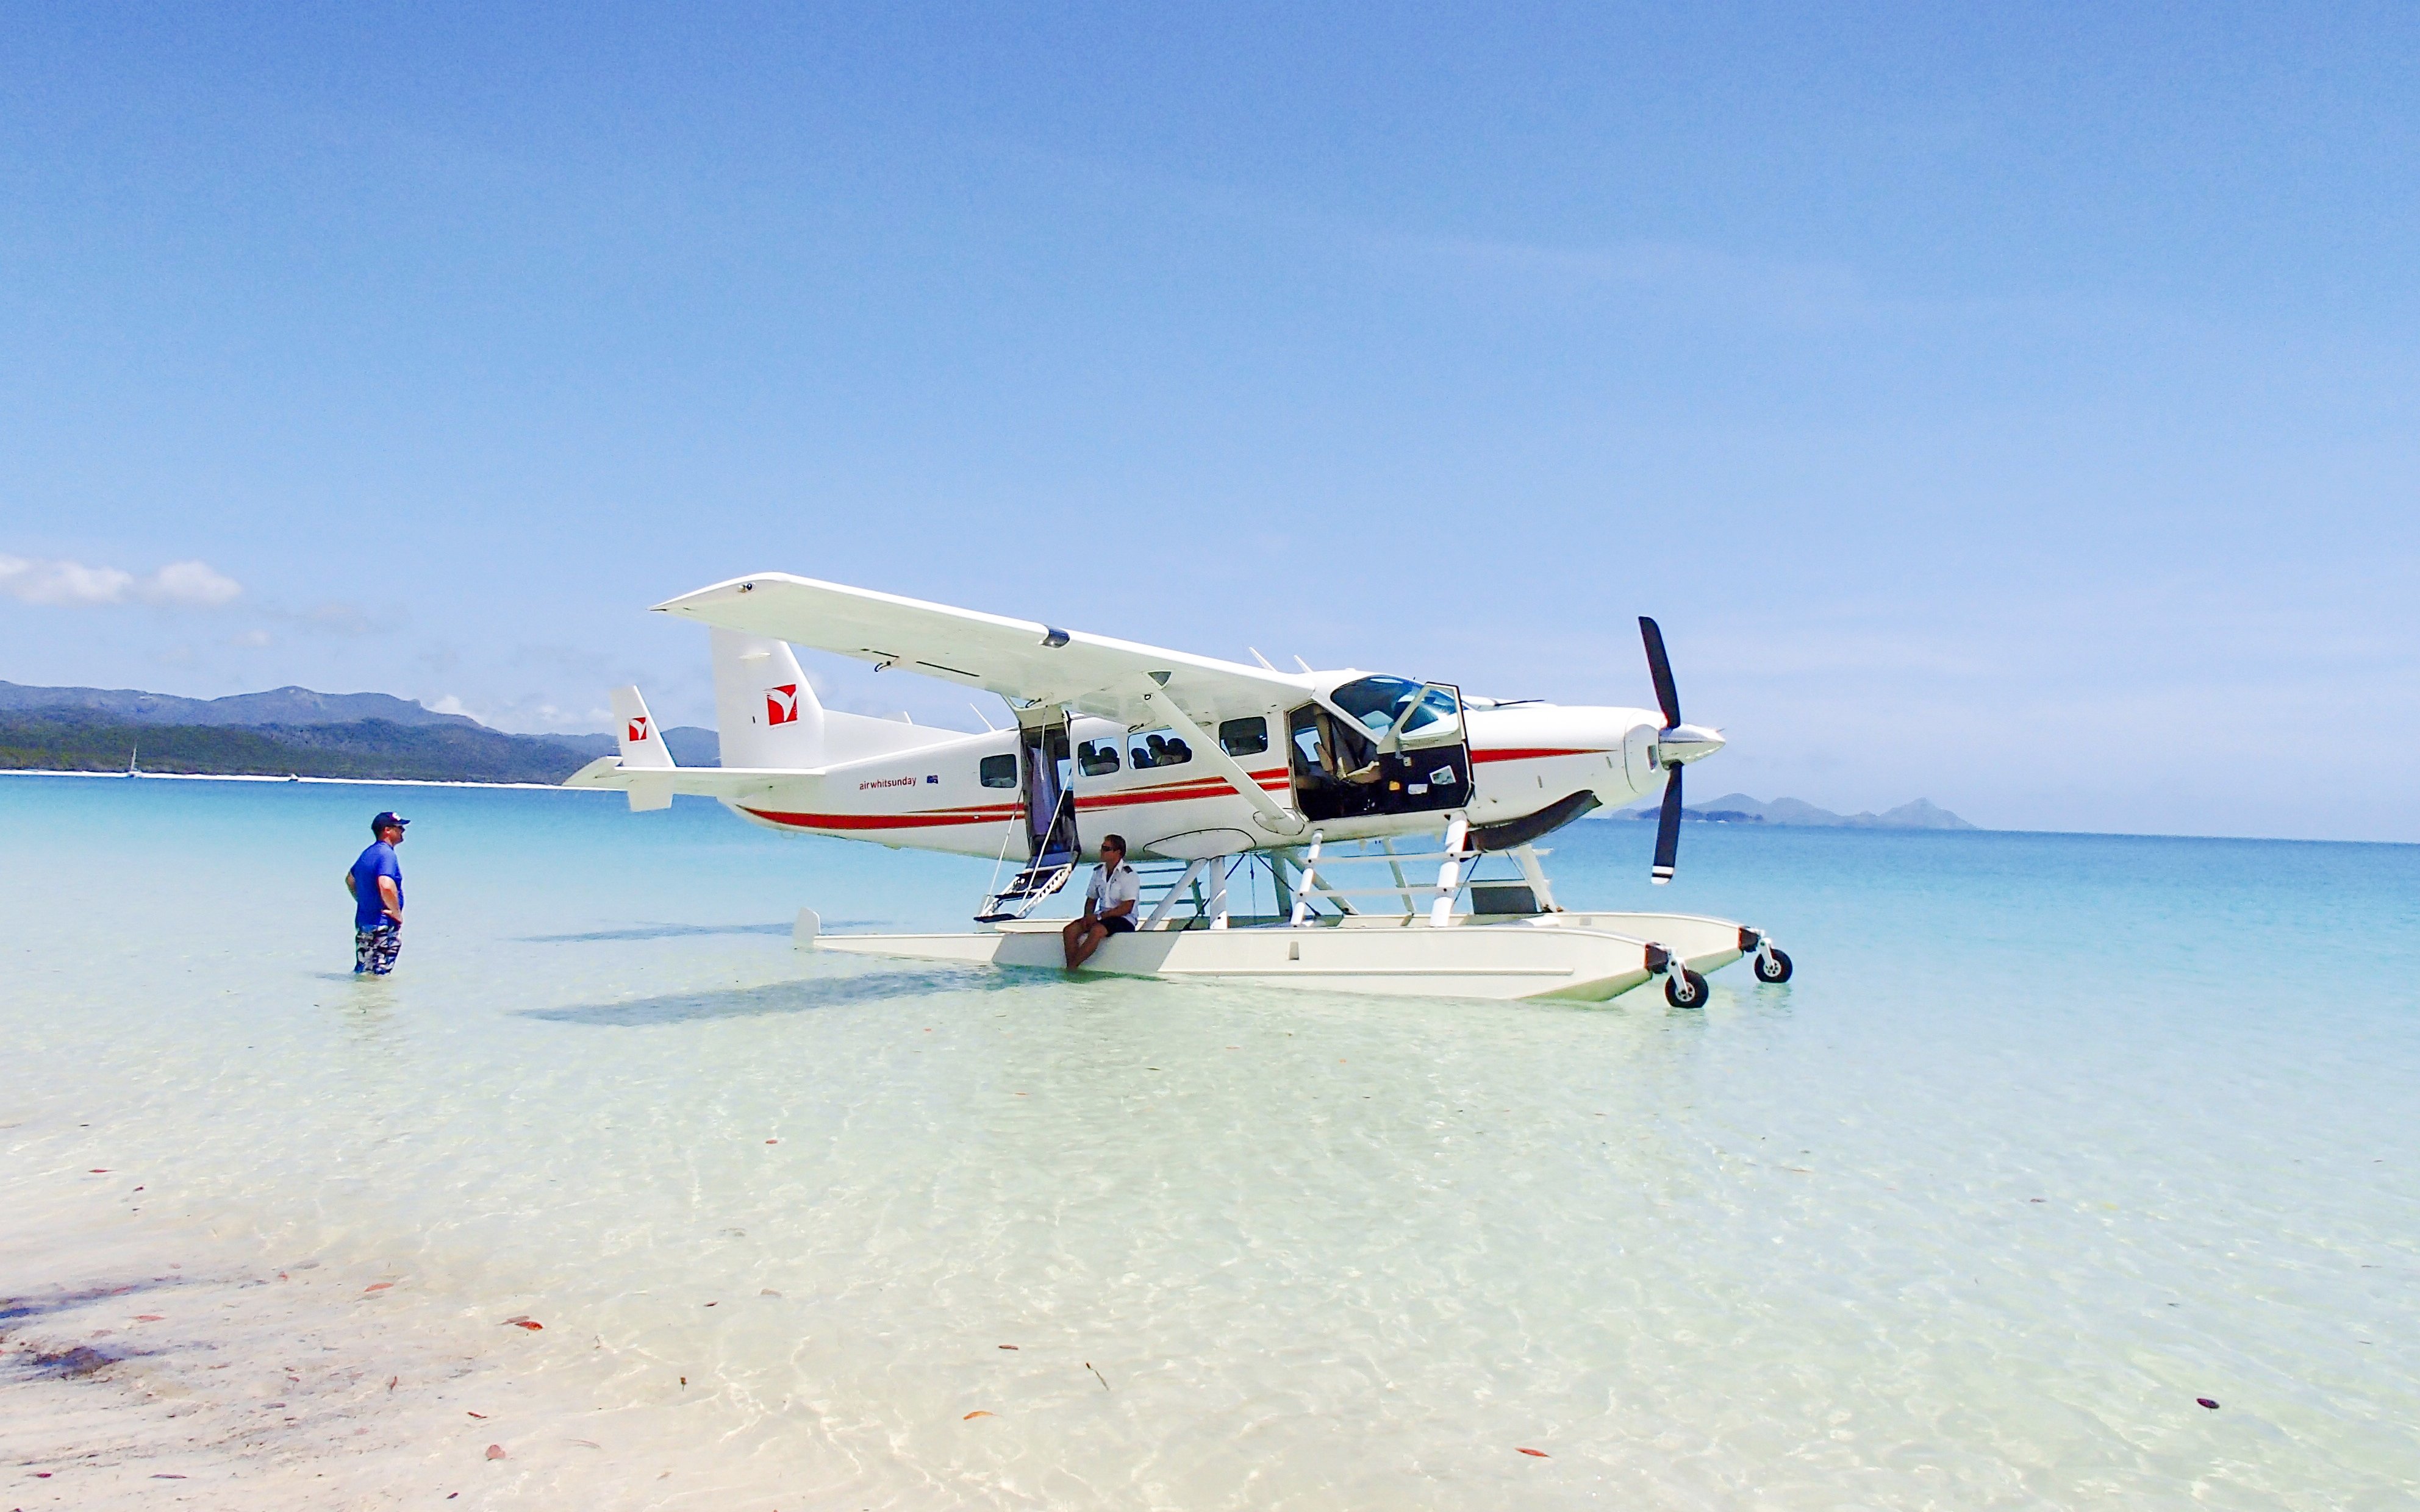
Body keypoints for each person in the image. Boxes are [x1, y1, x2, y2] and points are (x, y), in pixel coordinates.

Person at [1061, 833, 1139, 970]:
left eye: (1106, 849)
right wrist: (1088, 917)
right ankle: (1072, 965)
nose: (1101, 851)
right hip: (1101, 916)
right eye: (1102, 848)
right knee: (1070, 930)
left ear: (1118, 852)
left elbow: (1127, 907)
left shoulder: (1129, 875)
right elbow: (1091, 900)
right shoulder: (1098, 872)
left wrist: (1098, 917)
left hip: (1124, 919)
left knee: (1097, 931)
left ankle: (1072, 968)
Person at [345, 811, 409, 975]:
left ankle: (361, 1001)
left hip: (366, 923)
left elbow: (350, 880)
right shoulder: (386, 854)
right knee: (380, 976)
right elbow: (386, 885)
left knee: (364, 973)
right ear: (387, 830)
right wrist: (396, 913)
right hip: (383, 925)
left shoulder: (368, 853)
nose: (403, 831)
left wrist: (364, 902)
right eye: (400, 827)